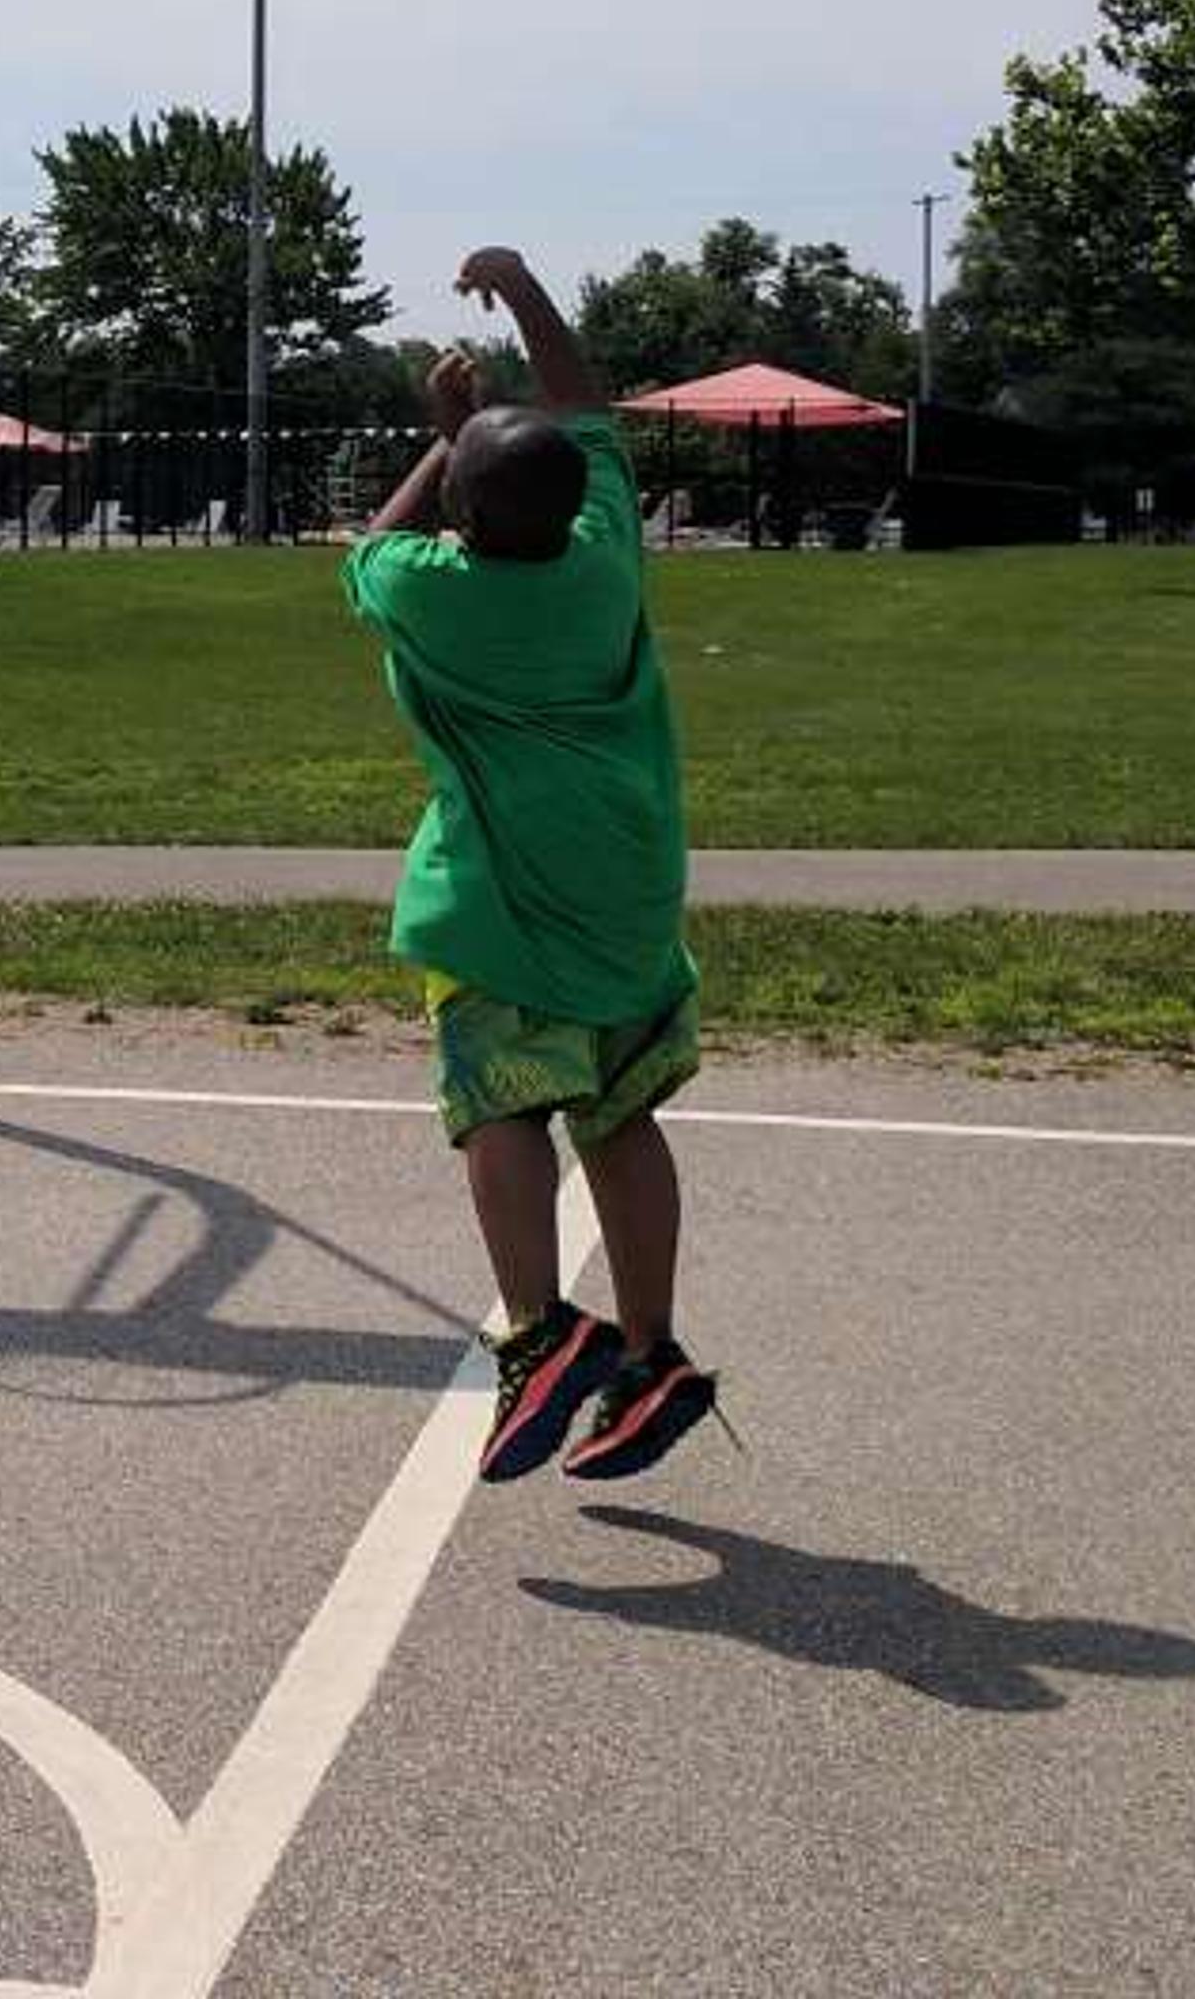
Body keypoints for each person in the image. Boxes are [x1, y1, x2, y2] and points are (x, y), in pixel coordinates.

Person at [346, 249, 720, 1482]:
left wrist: (441, 446)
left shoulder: (433, 594)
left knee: (500, 1103)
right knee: (620, 1121)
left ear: (466, 514)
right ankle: (652, 1349)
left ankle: (541, 1332)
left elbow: (367, 554)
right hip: (627, 893)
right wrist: (520, 287)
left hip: (501, 907)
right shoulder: (607, 553)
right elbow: (588, 413)